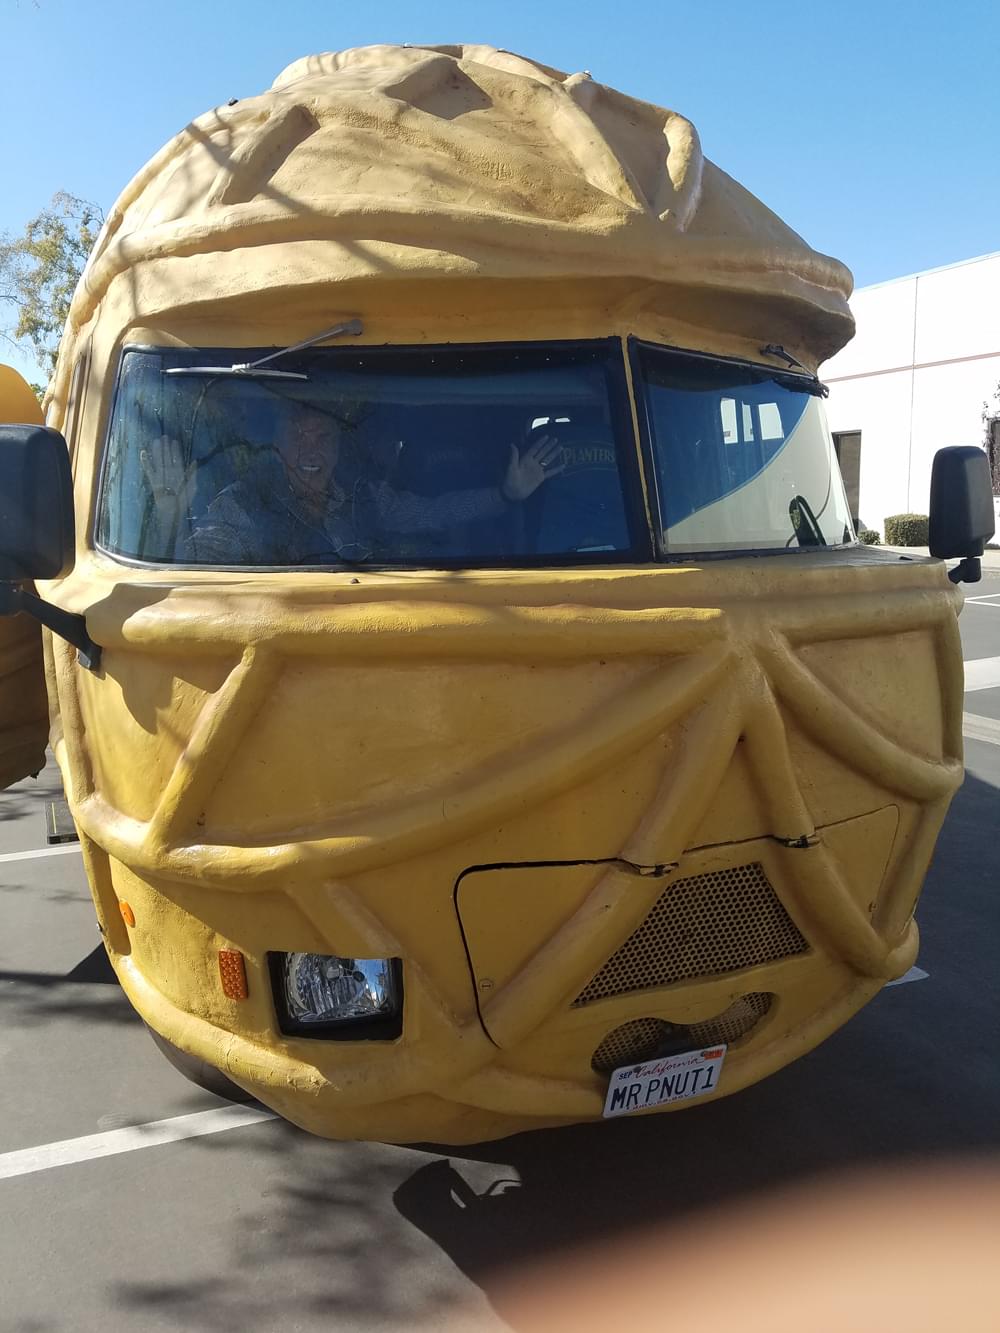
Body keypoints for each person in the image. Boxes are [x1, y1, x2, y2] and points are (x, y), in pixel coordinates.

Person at [142, 403, 566, 565]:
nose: (312, 452)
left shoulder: (365, 498)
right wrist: (171, 517)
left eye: (323, 437)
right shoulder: (245, 505)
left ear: (339, 447)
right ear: (276, 447)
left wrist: (505, 495)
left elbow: (434, 512)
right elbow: (199, 561)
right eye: (298, 437)